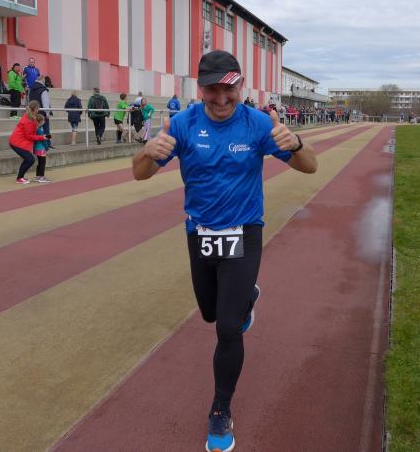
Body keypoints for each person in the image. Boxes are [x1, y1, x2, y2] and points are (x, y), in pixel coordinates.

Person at [132, 50, 317, 452]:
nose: (220, 99)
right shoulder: (183, 124)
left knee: (228, 328)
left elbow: (310, 166)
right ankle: (248, 296)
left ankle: (220, 408)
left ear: (240, 86)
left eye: (228, 89)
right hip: (199, 233)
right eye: (212, 89)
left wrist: (297, 143)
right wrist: (148, 152)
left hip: (244, 231)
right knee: (210, 313)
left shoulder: (258, 124)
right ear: (200, 89)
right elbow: (139, 173)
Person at [9, 101, 47, 184]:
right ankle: (19, 178)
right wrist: (42, 137)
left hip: (17, 141)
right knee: (30, 159)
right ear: (35, 109)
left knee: (29, 159)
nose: (39, 110)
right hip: (17, 142)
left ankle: (21, 177)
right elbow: (29, 136)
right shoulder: (29, 120)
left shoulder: (28, 116)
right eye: (38, 108)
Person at [29, 78, 53, 148]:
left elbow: (29, 101)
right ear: (42, 81)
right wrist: (47, 113)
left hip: (34, 113)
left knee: (35, 130)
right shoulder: (43, 90)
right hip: (42, 113)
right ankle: (48, 144)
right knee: (47, 130)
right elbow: (46, 102)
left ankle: (36, 145)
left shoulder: (31, 89)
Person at [33, 115, 51, 183]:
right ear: (40, 121)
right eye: (43, 120)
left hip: (36, 148)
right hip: (41, 148)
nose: (44, 121)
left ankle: (37, 176)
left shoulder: (36, 128)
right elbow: (43, 140)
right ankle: (42, 177)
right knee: (43, 163)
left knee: (39, 162)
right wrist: (46, 147)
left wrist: (47, 136)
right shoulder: (39, 130)